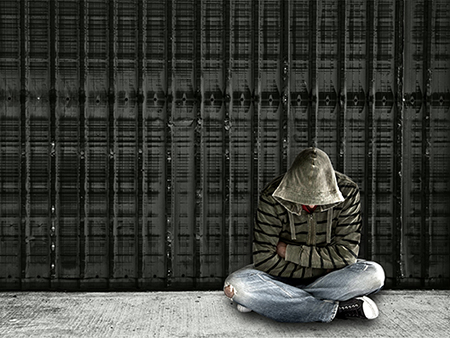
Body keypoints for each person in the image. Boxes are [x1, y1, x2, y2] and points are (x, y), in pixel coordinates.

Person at [223, 147, 385, 323]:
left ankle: (271, 300)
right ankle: (335, 310)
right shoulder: (272, 195)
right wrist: (322, 266)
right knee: (237, 285)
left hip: (328, 277)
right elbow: (264, 259)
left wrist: (288, 252)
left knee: (374, 274)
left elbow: (346, 255)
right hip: (282, 275)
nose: (311, 205)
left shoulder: (348, 192)